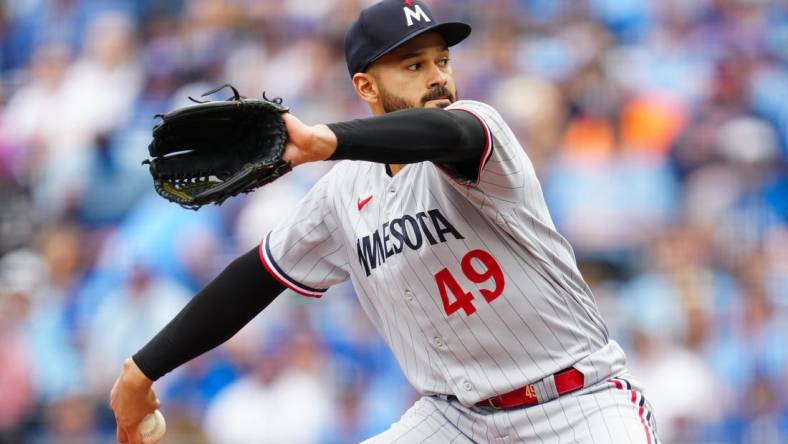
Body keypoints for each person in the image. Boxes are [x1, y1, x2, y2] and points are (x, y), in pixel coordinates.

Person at [110, 1, 660, 442]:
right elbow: (255, 275)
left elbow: (446, 135)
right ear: (366, 87)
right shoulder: (342, 196)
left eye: (442, 60)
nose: (437, 77)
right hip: (457, 421)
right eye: (413, 65)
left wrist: (328, 140)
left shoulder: (477, 130)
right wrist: (142, 370)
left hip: (578, 406)